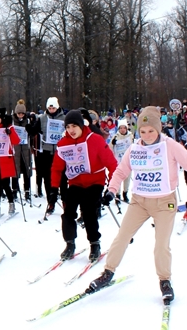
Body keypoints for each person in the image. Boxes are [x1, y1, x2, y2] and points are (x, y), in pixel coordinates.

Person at [86, 106, 187, 304]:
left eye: (151, 131)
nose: (146, 135)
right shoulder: (135, 147)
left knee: (161, 245)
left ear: (159, 129)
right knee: (122, 237)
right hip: (140, 201)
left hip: (164, 203)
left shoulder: (169, 145)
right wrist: (111, 191)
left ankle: (165, 280)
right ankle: (108, 272)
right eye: (143, 131)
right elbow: (121, 171)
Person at [50, 110, 118, 261]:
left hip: (95, 181)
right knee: (68, 213)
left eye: (74, 126)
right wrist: (54, 189)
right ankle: (70, 243)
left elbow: (112, 164)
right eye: (68, 127)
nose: (71, 130)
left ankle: (94, 243)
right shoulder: (63, 144)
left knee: (88, 211)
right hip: (75, 182)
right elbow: (56, 168)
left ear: (81, 125)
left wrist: (111, 189)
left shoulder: (95, 140)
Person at [26, 97, 67, 214]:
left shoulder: (64, 118)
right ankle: (51, 202)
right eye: (49, 107)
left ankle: (65, 202)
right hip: (47, 152)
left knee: (63, 179)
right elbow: (34, 131)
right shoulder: (42, 118)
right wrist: (30, 128)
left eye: (53, 107)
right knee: (48, 179)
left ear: (57, 107)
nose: (51, 109)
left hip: (61, 153)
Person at [12, 100, 32, 201]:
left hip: (25, 148)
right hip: (15, 148)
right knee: (15, 170)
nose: (20, 115)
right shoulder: (12, 121)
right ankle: (14, 189)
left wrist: (30, 129)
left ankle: (27, 190)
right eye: (19, 113)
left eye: (22, 113)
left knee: (26, 169)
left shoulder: (27, 121)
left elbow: (32, 133)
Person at [109, 119, 133, 202]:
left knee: (127, 178)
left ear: (126, 129)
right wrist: (113, 143)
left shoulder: (130, 136)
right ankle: (117, 195)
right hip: (118, 161)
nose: (122, 129)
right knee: (118, 178)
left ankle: (125, 193)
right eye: (121, 128)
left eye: (124, 128)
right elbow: (110, 148)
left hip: (128, 161)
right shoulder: (115, 136)